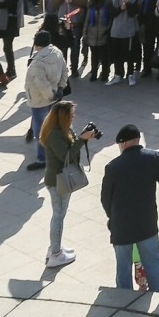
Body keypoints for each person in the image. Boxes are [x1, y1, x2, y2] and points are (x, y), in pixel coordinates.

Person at [100, 124, 159, 294]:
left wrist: (112, 218)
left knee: (123, 270)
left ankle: (125, 307)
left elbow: (105, 198)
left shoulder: (113, 167)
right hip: (147, 224)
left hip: (122, 228)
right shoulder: (154, 158)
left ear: (122, 144)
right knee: (154, 265)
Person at [41, 99, 100, 269]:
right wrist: (81, 140)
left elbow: (72, 146)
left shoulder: (63, 129)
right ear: (63, 116)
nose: (74, 117)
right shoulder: (54, 134)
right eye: (71, 115)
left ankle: (54, 247)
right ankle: (56, 254)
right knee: (59, 216)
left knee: (59, 214)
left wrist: (83, 137)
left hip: (60, 179)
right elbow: (65, 156)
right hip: (57, 181)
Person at [24, 30, 70, 171]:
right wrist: (60, 88)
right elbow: (64, 71)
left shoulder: (37, 63)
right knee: (53, 126)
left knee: (41, 131)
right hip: (54, 96)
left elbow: (41, 84)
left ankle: (42, 158)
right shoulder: (56, 52)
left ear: (36, 44)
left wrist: (50, 95)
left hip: (40, 100)